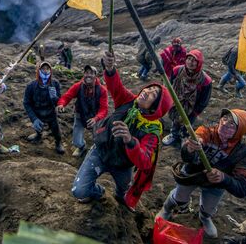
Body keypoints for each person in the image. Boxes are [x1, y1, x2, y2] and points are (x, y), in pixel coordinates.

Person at [72, 51, 173, 210]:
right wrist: (110, 68)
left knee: (123, 190)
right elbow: (116, 86)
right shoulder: (129, 101)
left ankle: (120, 195)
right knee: (79, 191)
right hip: (101, 150)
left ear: (155, 108)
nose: (146, 92)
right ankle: (98, 192)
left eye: (153, 94)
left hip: (122, 164)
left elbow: (145, 162)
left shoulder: (152, 131)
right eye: (149, 89)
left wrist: (130, 140)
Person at [157, 109, 246, 239]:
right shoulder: (207, 132)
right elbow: (187, 154)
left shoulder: (243, 152)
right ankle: (167, 208)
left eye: (232, 124)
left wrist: (223, 178)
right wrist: (190, 148)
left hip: (215, 184)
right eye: (225, 118)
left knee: (209, 209)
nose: (225, 124)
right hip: (192, 174)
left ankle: (204, 217)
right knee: (180, 198)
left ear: (240, 130)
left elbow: (242, 189)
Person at [162, 49, 212, 147]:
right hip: (176, 102)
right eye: (189, 59)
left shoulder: (205, 81)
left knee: (188, 123)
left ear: (199, 63)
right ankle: (174, 134)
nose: (190, 62)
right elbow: (170, 85)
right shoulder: (177, 70)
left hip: (192, 108)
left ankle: (184, 136)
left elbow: (204, 100)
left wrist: (195, 112)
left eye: (194, 60)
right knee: (175, 119)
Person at [57, 65, 109, 157]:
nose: (88, 75)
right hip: (80, 114)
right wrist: (61, 104)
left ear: (95, 76)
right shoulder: (77, 86)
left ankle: (98, 152)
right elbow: (67, 96)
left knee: (99, 140)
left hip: (95, 117)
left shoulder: (102, 90)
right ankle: (82, 147)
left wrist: (96, 119)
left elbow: (104, 109)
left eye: (91, 73)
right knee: (76, 141)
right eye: (86, 73)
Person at [23, 61, 64, 154]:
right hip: (37, 112)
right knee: (38, 126)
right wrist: (34, 119)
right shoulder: (31, 86)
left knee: (55, 129)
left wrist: (55, 98)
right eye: (43, 69)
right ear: (39, 70)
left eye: (47, 69)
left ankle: (58, 142)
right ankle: (38, 135)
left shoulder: (55, 83)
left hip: (51, 113)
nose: (45, 71)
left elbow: (59, 102)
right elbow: (26, 103)